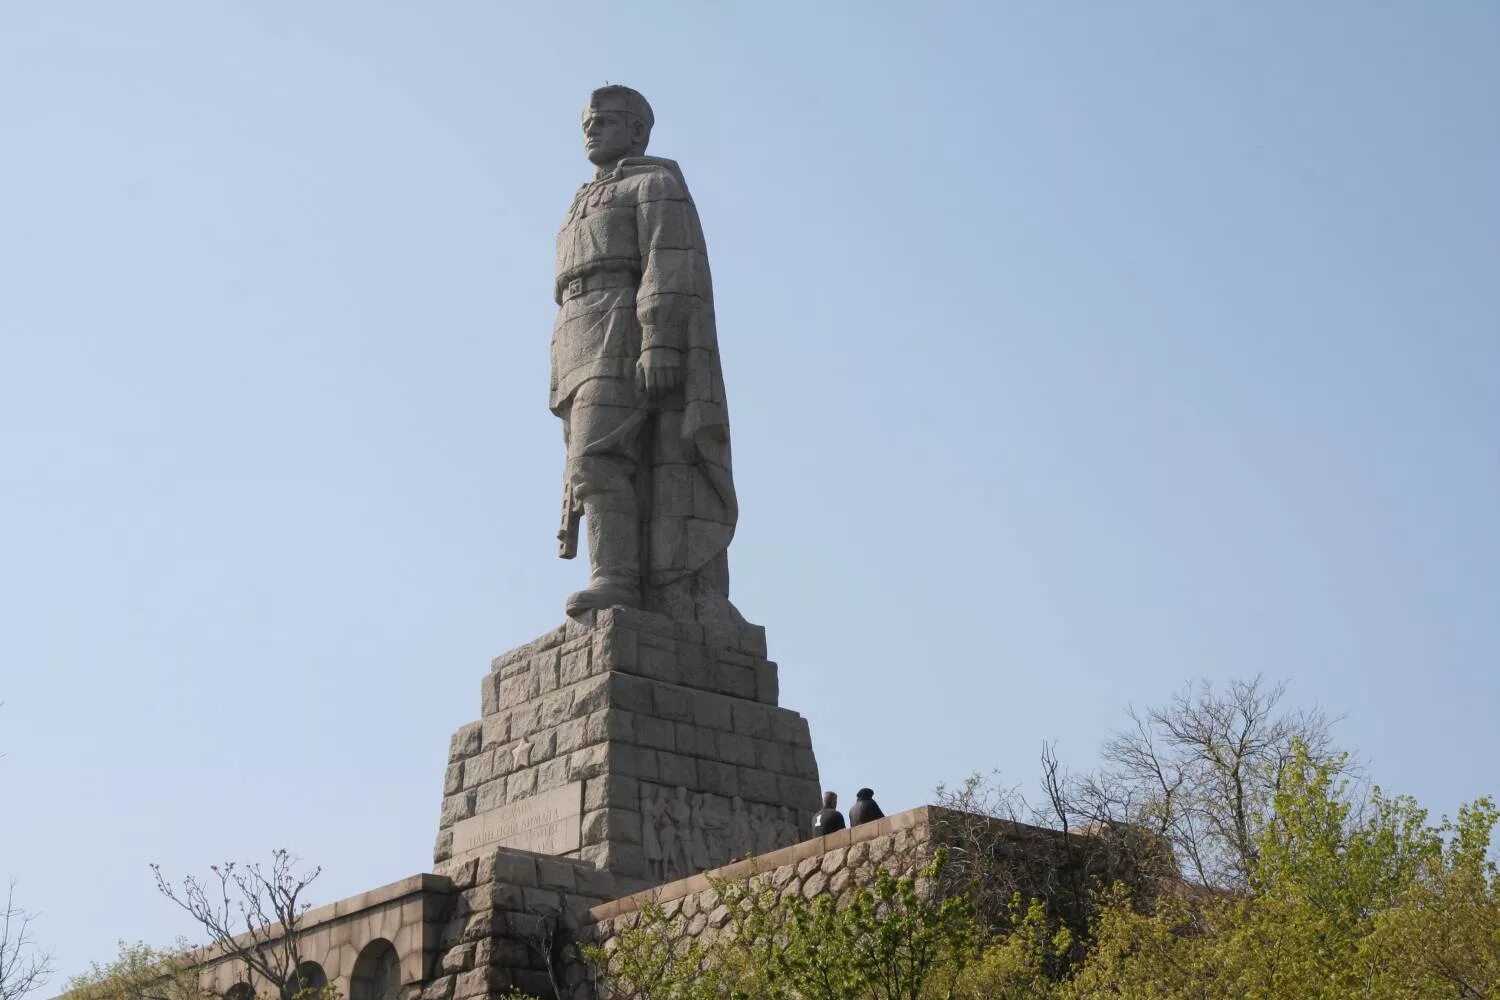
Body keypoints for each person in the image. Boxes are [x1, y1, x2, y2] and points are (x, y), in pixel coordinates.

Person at [551, 85, 742, 624]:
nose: (593, 129)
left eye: (607, 120)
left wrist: (658, 338)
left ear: (638, 131)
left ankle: (615, 579)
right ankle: (621, 576)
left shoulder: (655, 185)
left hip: (621, 329)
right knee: (592, 465)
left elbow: (668, 263)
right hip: (577, 335)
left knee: (598, 458)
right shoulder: (579, 200)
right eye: (589, 121)